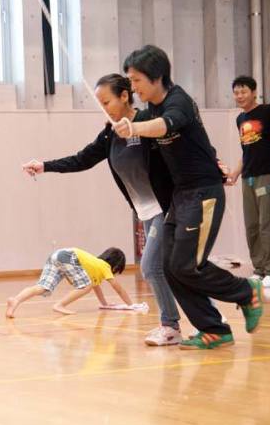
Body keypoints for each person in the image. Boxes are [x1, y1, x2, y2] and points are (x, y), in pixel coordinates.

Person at [115, 44, 262, 350]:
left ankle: (245, 291)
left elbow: (164, 126)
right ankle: (214, 329)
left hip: (203, 194)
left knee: (185, 264)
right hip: (181, 197)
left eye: (137, 80)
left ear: (156, 77)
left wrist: (134, 128)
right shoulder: (152, 107)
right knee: (170, 266)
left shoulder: (178, 101)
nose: (133, 87)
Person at [21, 74, 181, 346]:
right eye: (99, 103)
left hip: (165, 207)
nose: (104, 107)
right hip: (142, 210)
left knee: (151, 267)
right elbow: (82, 159)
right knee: (169, 267)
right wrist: (45, 166)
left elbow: (177, 153)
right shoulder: (109, 134)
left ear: (124, 96)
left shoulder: (145, 125)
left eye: (107, 101)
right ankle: (212, 308)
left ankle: (170, 326)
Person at [224, 76, 270, 287]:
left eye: (243, 92)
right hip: (247, 177)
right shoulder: (240, 119)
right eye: (236, 93)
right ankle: (259, 268)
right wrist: (235, 173)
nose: (239, 96)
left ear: (254, 91)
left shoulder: (268, 111)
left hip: (266, 175)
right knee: (251, 225)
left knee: (267, 223)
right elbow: (246, 151)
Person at [5, 247, 131, 317]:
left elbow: (96, 287)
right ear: (115, 266)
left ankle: (15, 300)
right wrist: (131, 305)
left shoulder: (95, 266)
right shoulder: (104, 266)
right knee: (86, 286)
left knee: (43, 287)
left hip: (56, 255)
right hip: (68, 257)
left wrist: (105, 304)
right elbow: (117, 288)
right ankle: (59, 305)